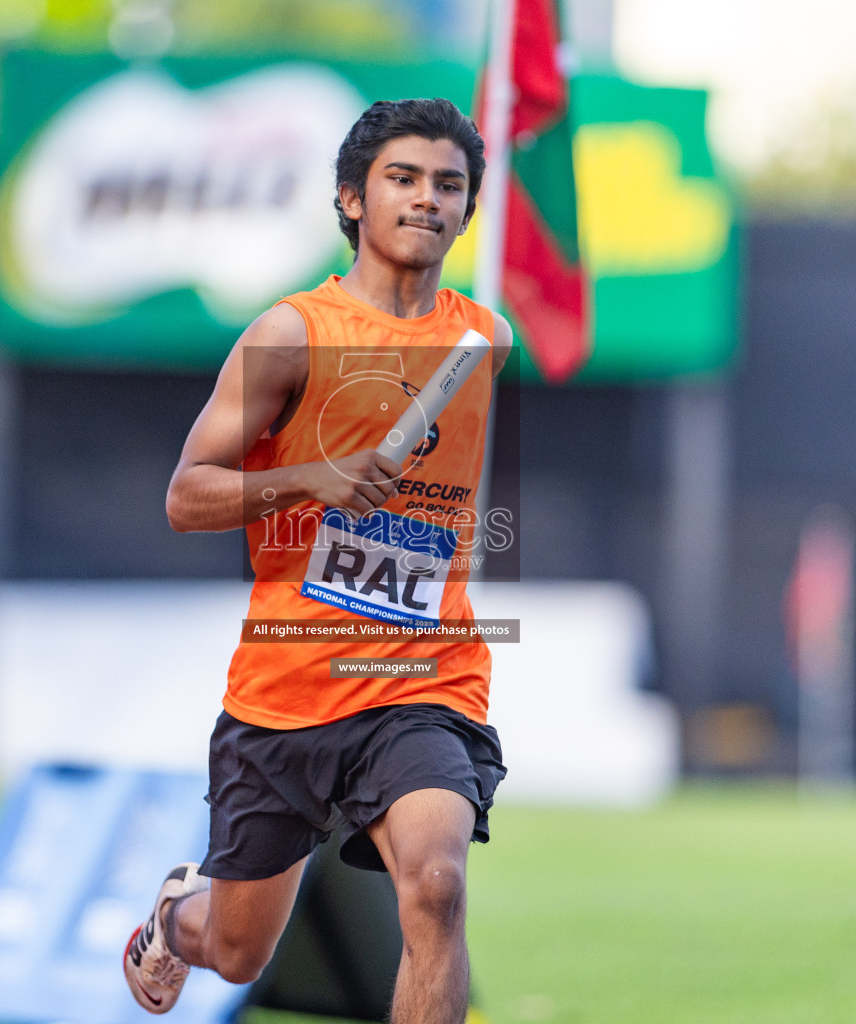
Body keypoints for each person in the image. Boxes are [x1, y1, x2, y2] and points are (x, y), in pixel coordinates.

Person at [124, 97, 513, 1024]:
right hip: (287, 689)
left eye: (448, 185)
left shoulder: (482, 340)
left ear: (466, 211)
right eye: (403, 179)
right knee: (234, 948)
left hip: (423, 677)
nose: (427, 199)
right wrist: (316, 477)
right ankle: (177, 911)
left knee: (436, 888)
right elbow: (187, 496)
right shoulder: (287, 335)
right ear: (351, 199)